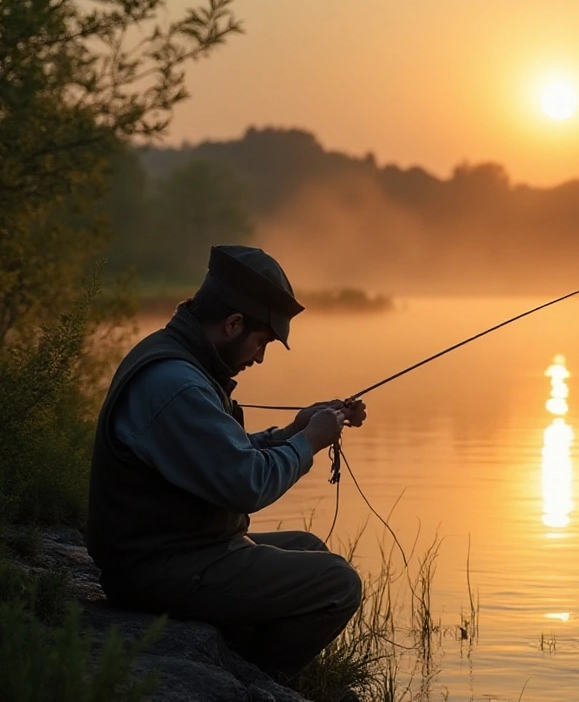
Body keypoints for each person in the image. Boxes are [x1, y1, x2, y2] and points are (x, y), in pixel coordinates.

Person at [86, 244, 368, 679]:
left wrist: (295, 429)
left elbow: (218, 454)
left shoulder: (180, 362)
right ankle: (256, 679)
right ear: (233, 323)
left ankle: (239, 651)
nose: (259, 356)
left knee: (311, 549)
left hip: (181, 548)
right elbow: (245, 484)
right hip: (157, 568)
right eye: (262, 342)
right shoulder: (176, 384)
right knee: (338, 585)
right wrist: (310, 443)